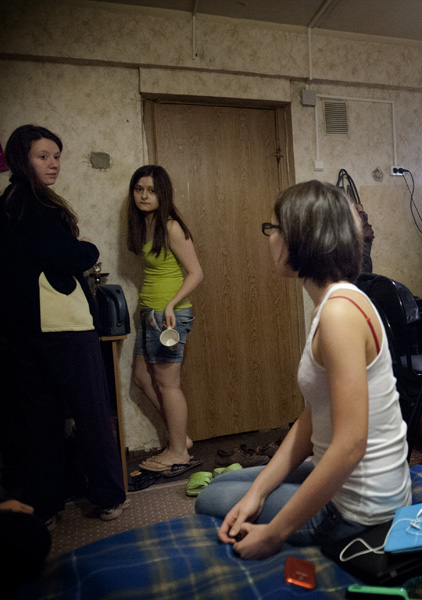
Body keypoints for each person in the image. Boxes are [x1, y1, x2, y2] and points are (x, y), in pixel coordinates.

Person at [196, 180, 411, 560]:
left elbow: (351, 446)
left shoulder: (339, 314)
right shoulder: (334, 303)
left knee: (210, 498)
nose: (270, 237)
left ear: (301, 238)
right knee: (231, 485)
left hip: (361, 513)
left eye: (274, 228)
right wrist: (259, 491)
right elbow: (313, 417)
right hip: (353, 484)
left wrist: (273, 534)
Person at [0, 125, 126, 529]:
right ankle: (108, 496)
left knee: (39, 421)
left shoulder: (6, 204)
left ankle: (46, 505)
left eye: (56, 156)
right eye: (43, 156)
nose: (53, 164)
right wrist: (88, 246)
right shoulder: (40, 206)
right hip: (63, 325)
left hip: (21, 329)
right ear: (22, 159)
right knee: (91, 412)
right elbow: (67, 258)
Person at [127, 165, 203, 475]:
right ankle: (179, 438)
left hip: (169, 315)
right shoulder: (146, 225)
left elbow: (196, 273)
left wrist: (171, 304)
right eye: (139, 189)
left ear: (163, 194)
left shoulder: (171, 227)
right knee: (142, 378)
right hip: (150, 313)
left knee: (168, 384)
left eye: (151, 190)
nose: (144, 196)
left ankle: (177, 452)